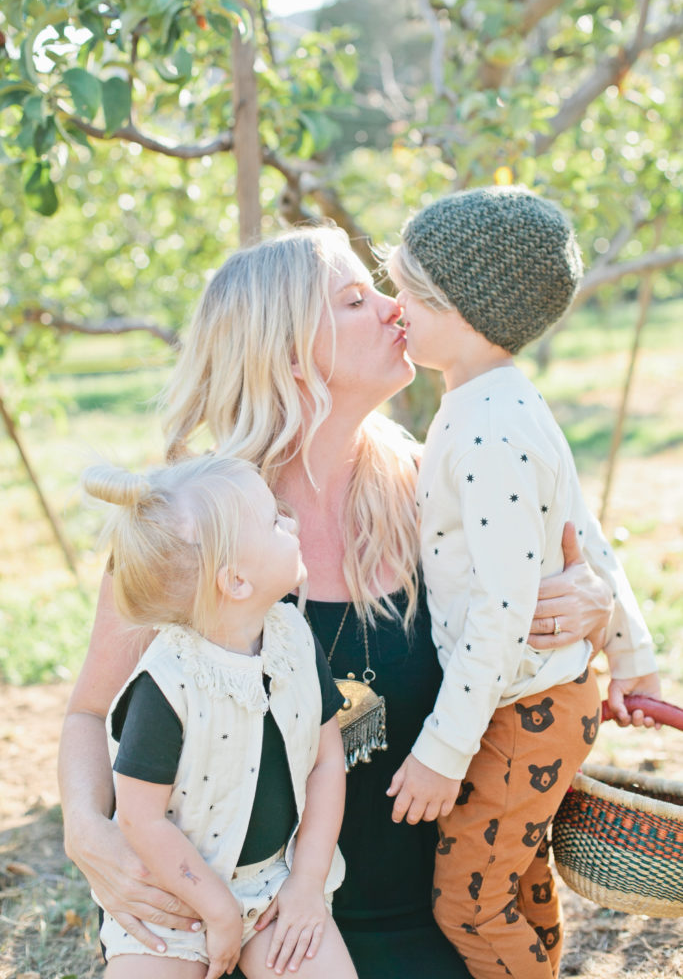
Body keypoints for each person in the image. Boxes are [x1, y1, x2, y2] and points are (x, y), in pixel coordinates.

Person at [60, 224, 627, 979]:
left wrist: (591, 603)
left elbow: (558, 581)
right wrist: (86, 833)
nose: (397, 309)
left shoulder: (440, 488)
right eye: (357, 299)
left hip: (423, 913)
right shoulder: (193, 525)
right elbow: (90, 712)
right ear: (291, 353)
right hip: (241, 920)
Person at [384, 187, 661, 979]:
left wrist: (442, 749)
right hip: (540, 700)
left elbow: (505, 610)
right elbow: (588, 538)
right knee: (513, 875)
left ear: (464, 311)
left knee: (468, 904)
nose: (392, 305)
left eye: (408, 290)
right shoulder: (506, 401)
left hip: (517, 711)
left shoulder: (483, 429)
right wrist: (631, 658)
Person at [81, 453, 355, 979]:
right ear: (235, 582)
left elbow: (325, 761)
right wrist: (216, 910)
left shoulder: (293, 639)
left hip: (272, 883)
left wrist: (305, 884)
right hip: (174, 894)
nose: (291, 523)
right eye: (275, 522)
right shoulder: (167, 684)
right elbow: (140, 817)